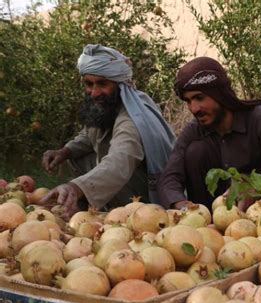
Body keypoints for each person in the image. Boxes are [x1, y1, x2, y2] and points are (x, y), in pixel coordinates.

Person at [41, 44, 175, 216]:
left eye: (102, 84)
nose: (94, 93)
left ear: (120, 85)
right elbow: (89, 135)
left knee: (110, 168)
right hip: (122, 176)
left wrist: (77, 186)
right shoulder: (106, 107)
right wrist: (65, 151)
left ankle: (121, 215)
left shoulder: (132, 117)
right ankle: (90, 207)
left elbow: (120, 160)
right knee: (77, 155)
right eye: (89, 84)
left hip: (147, 196)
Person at [158, 57, 261, 210]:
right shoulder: (194, 130)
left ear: (219, 94)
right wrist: (183, 207)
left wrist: (254, 189)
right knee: (196, 151)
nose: (194, 108)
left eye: (199, 98)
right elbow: (169, 177)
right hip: (210, 223)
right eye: (188, 101)